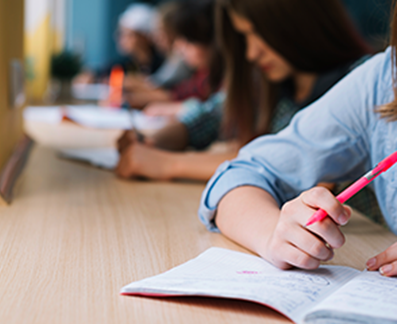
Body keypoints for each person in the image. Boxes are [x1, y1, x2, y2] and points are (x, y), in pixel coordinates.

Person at [198, 2, 397, 277]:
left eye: (257, 33)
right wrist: (274, 235)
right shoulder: (382, 81)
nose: (251, 53)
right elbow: (242, 172)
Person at [116, 0, 372, 181]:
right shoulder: (269, 80)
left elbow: (290, 161)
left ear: (298, 22)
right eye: (244, 37)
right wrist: (154, 142)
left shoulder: (362, 82)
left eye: (257, 34)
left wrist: (167, 164)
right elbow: (210, 116)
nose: (251, 53)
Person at [124, 0, 224, 108]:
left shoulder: (213, 76)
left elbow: (172, 93)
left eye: (188, 40)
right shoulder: (202, 73)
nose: (179, 46)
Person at [73, 3, 163, 85]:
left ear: (144, 37)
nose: (120, 38)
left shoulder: (163, 64)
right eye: (120, 33)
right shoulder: (126, 64)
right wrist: (92, 76)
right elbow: (102, 73)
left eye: (127, 34)